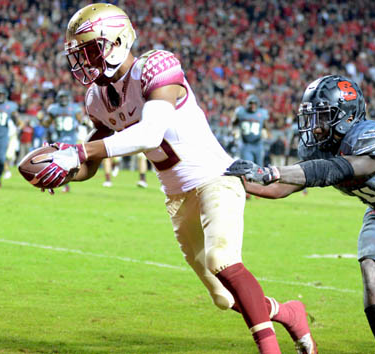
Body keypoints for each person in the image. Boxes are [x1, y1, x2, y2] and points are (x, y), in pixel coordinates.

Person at [27, 4, 316, 354]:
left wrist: (81, 152)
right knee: (225, 297)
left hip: (216, 179)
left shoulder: (155, 66)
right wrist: (64, 169)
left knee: (221, 259)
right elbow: (91, 157)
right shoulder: (97, 99)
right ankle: (289, 313)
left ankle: (270, 350)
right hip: (177, 197)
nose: (85, 62)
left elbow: (149, 134)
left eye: (91, 50)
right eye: (79, 55)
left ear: (119, 41)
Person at [226, 75, 375, 354]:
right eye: (312, 117)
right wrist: (240, 181)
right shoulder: (320, 145)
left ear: (347, 117)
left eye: (323, 117)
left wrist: (272, 171)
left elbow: (339, 169)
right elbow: (285, 187)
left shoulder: (373, 138)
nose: (315, 127)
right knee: (372, 272)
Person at [46, 90, 83, 192]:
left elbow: (81, 120)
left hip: (71, 138)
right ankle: (57, 182)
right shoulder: (54, 109)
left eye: (65, 97)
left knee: (66, 163)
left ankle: (64, 184)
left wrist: (82, 121)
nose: (63, 100)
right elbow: (47, 123)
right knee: (56, 162)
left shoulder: (74, 108)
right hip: (58, 138)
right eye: (61, 98)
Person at [233, 94, 269, 167]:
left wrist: (265, 131)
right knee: (248, 166)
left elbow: (265, 125)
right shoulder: (241, 112)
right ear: (247, 104)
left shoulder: (262, 113)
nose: (253, 106)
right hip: (246, 144)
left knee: (259, 168)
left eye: (254, 103)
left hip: (258, 144)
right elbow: (234, 123)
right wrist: (235, 130)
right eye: (250, 103)